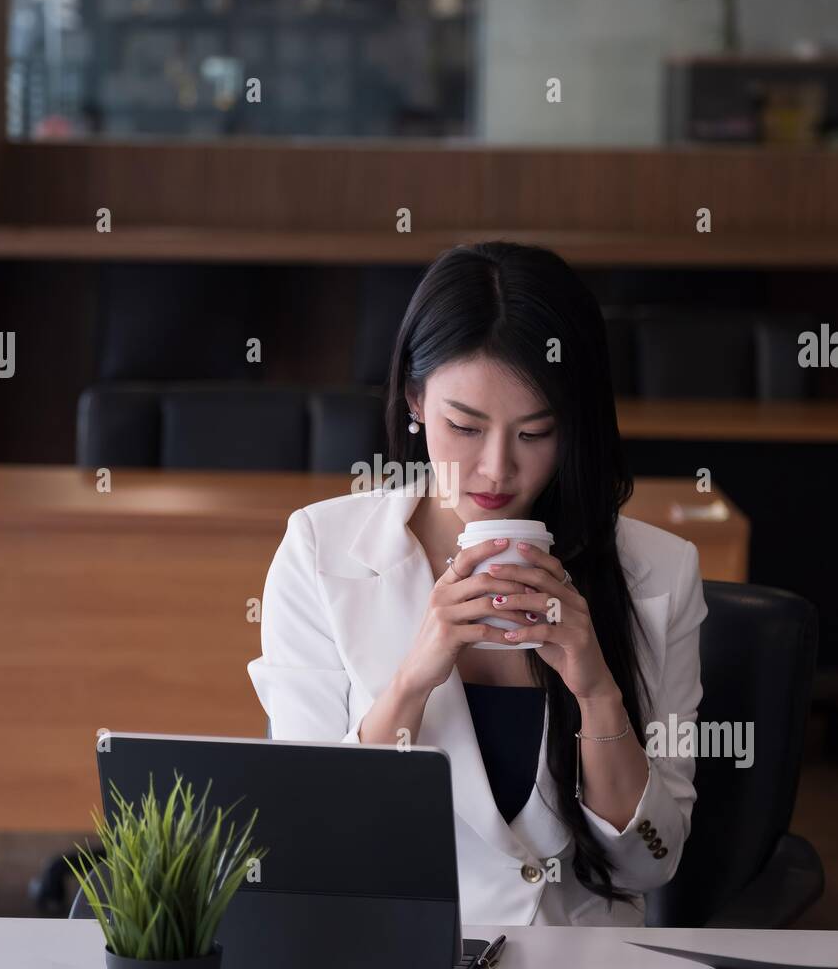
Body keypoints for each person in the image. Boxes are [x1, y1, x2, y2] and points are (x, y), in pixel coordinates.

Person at [248, 241, 708, 926]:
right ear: (413, 398)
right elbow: (311, 838)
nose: (495, 470)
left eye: (535, 432)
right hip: (393, 965)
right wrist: (411, 681)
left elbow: (654, 858)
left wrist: (598, 694)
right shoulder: (322, 551)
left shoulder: (659, 573)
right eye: (464, 427)